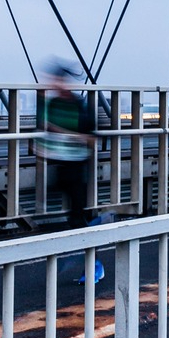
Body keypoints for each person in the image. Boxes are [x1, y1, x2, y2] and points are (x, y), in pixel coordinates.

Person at [37, 60, 99, 227]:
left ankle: (80, 227)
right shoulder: (56, 103)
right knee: (68, 187)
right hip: (63, 157)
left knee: (74, 191)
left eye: (56, 80)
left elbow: (89, 134)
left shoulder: (76, 104)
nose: (53, 84)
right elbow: (44, 122)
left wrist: (60, 131)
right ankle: (79, 226)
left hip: (75, 157)